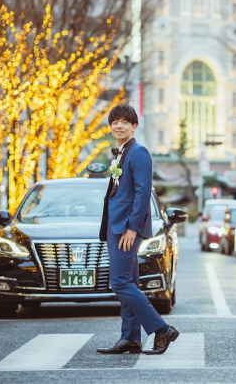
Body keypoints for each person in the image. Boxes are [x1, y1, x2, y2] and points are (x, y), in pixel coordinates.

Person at [96, 104, 178, 356]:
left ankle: (162, 329)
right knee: (129, 281)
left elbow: (143, 193)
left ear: (134, 126)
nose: (118, 125)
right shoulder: (121, 153)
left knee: (119, 282)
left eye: (124, 121)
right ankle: (130, 338)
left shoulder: (139, 152)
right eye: (114, 122)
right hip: (116, 224)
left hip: (126, 228)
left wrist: (133, 228)